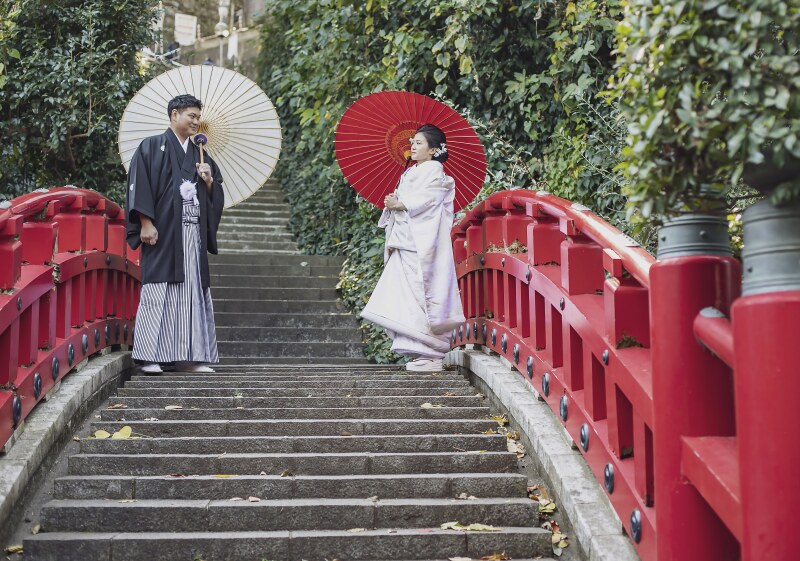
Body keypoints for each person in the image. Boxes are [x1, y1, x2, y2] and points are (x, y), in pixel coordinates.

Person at [125, 94, 224, 374]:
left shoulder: (200, 155)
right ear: (174, 115)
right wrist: (145, 222)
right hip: (163, 229)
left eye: (197, 117)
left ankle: (189, 357)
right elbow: (139, 185)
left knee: (191, 291)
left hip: (192, 233)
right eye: (191, 116)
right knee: (158, 289)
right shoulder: (151, 146)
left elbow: (215, 197)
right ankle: (149, 356)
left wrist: (208, 182)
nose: (196, 122)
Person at [360, 124, 466, 371]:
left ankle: (432, 352)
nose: (413, 146)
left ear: (433, 150)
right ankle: (419, 351)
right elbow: (405, 204)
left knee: (422, 294)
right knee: (404, 297)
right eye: (413, 142)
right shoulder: (411, 172)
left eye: (419, 143)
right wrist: (393, 204)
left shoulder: (435, 172)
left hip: (420, 245)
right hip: (405, 241)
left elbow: (429, 200)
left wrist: (403, 203)